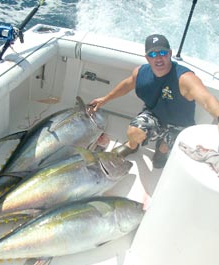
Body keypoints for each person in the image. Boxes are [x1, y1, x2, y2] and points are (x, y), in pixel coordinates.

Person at [90, 34, 219, 168]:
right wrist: (105, 99)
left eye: (162, 52)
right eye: (152, 54)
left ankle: (162, 151)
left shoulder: (185, 78)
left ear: (170, 53)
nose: (158, 58)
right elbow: (127, 85)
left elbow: (207, 99)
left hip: (179, 124)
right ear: (147, 57)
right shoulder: (141, 72)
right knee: (134, 131)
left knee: (161, 155)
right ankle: (132, 146)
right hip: (154, 116)